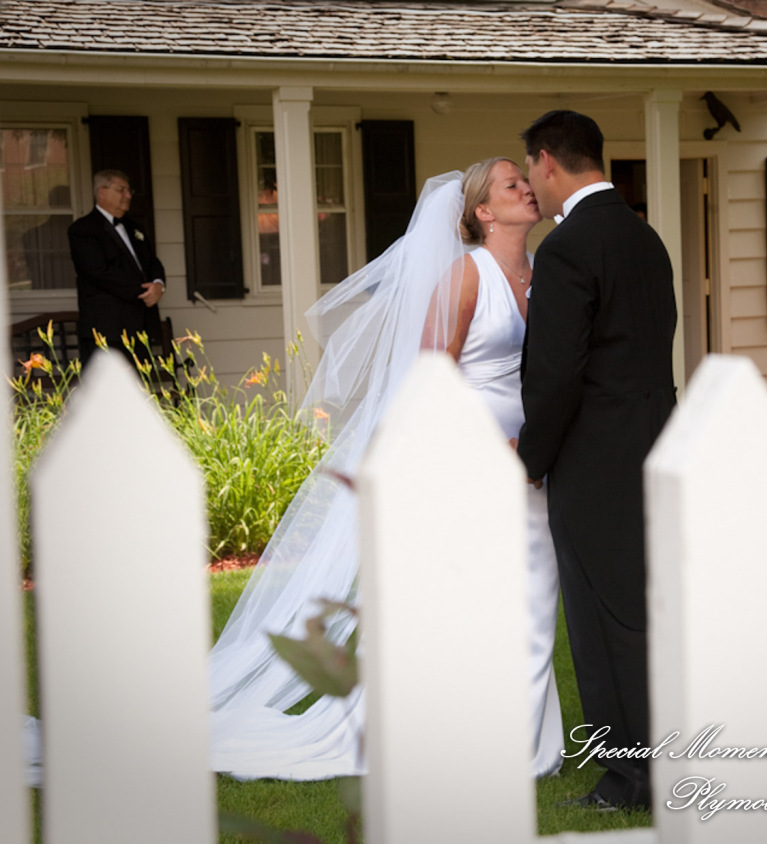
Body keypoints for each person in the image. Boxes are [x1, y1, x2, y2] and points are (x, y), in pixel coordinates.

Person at [207, 160, 563, 780]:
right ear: (483, 211)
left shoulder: (543, 272)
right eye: (512, 184)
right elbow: (432, 379)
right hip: (475, 454)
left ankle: (522, 735)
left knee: (534, 592)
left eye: (525, 181)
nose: (527, 189)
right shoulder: (465, 275)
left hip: (534, 451)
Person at [516, 110, 677, 811]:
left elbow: (556, 373)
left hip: (592, 459)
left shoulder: (565, 248)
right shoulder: (645, 237)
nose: (532, 182)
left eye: (530, 169)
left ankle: (628, 776)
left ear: (547, 160)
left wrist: (532, 457)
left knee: (602, 620)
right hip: (653, 442)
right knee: (644, 609)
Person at [67, 169, 166, 367]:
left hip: (141, 327)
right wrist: (143, 291)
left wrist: (158, 285)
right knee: (107, 386)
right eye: (121, 190)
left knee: (140, 384)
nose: (128, 196)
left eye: (129, 191)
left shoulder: (135, 228)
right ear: (102, 192)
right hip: (107, 329)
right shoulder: (83, 229)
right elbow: (98, 273)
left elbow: (152, 262)